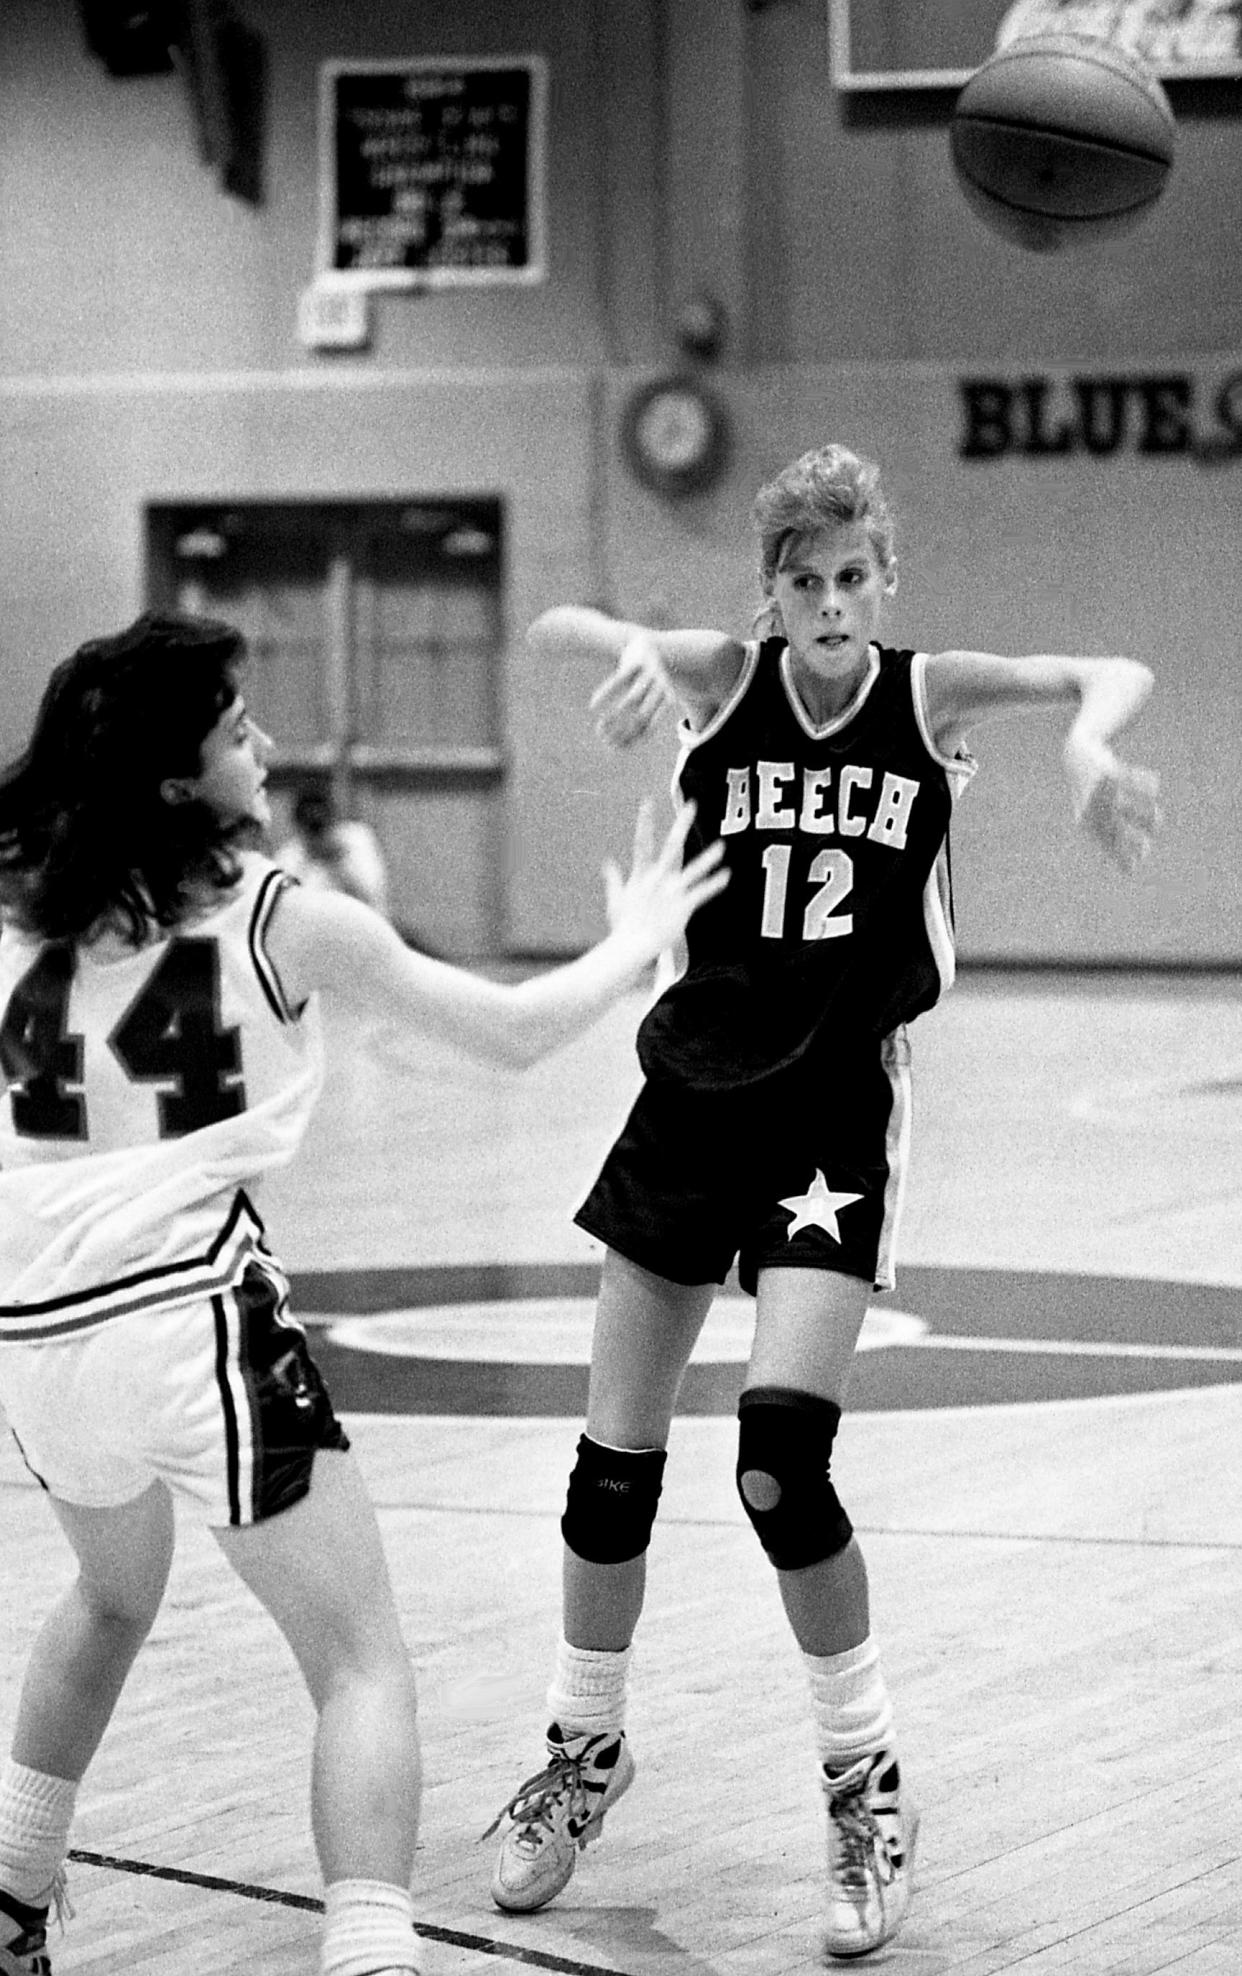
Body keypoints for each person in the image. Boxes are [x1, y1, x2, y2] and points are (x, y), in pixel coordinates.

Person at [484, 444, 1160, 1959]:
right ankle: (583, 1751)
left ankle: (866, 1787)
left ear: (884, 579)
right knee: (610, 1472)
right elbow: (564, 629)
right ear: (771, 592)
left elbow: (1101, 666)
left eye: (855, 578)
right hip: (689, 1100)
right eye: (805, 583)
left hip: (832, 1113)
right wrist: (622, 671)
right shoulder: (728, 680)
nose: (832, 606)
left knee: (780, 1468)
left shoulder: (923, 698)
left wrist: (1085, 752)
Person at [0, 610, 727, 1976]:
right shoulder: (280, 917)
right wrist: (637, 933)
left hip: (35, 1340)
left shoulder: (15, 897)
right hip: (189, 1322)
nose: (264, 741)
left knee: (108, 1598)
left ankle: (14, 1890)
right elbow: (512, 1035)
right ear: (177, 780)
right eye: (234, 726)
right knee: (362, 1663)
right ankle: (373, 1948)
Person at [276, 780, 391, 918]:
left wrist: (337, 861)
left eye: (321, 822)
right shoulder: (289, 857)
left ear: (332, 818)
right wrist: (308, 861)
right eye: (310, 825)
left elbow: (372, 896)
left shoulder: (358, 840)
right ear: (299, 825)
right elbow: (287, 908)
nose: (318, 832)